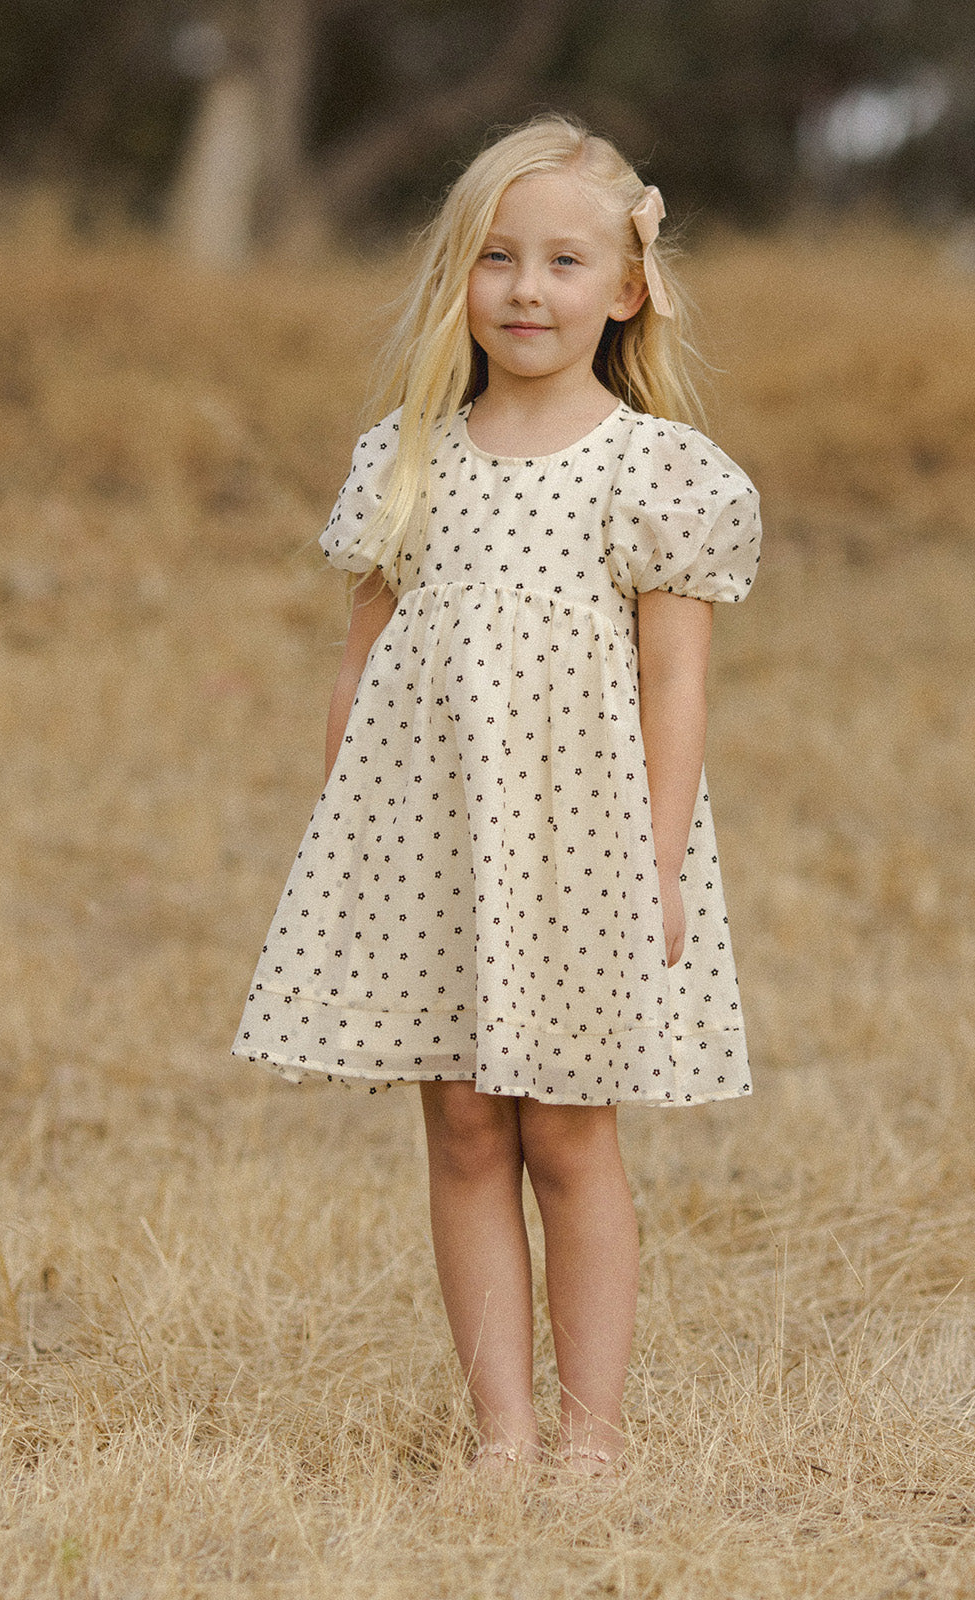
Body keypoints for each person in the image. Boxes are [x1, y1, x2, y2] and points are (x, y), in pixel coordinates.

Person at [232, 113, 761, 1478]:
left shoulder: (657, 472)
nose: (529, 289)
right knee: (465, 1126)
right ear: (458, 277)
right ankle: (504, 1442)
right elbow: (360, 669)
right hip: (429, 848)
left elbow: (676, 688)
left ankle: (590, 1443)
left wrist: (652, 862)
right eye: (500, 258)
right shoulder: (407, 459)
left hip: (584, 849)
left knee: (570, 1136)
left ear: (626, 285)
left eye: (566, 261)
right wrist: (346, 852)